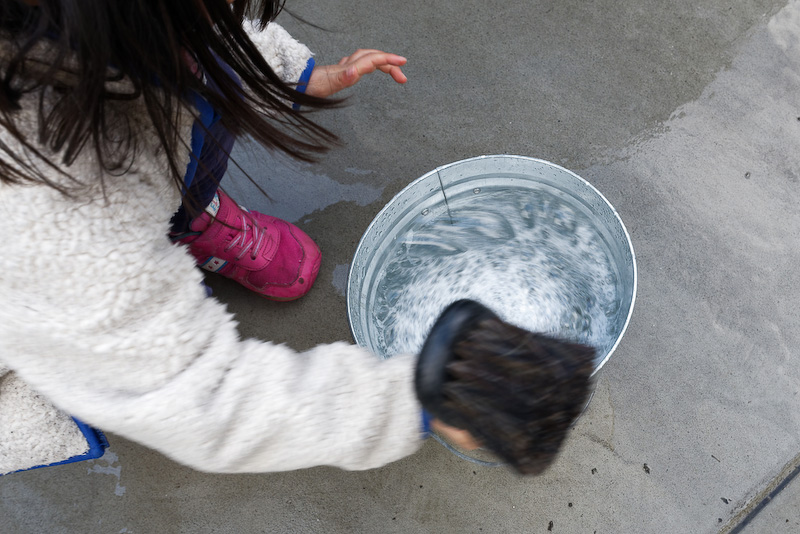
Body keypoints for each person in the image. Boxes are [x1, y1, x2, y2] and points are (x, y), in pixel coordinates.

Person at [0, 0, 475, 474]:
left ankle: (187, 222)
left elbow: (211, 35)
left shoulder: (122, 30)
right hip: (44, 308)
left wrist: (291, 74)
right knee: (101, 362)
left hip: (115, 191)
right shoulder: (47, 208)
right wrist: (411, 402)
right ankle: (150, 260)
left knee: (180, 155)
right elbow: (199, 400)